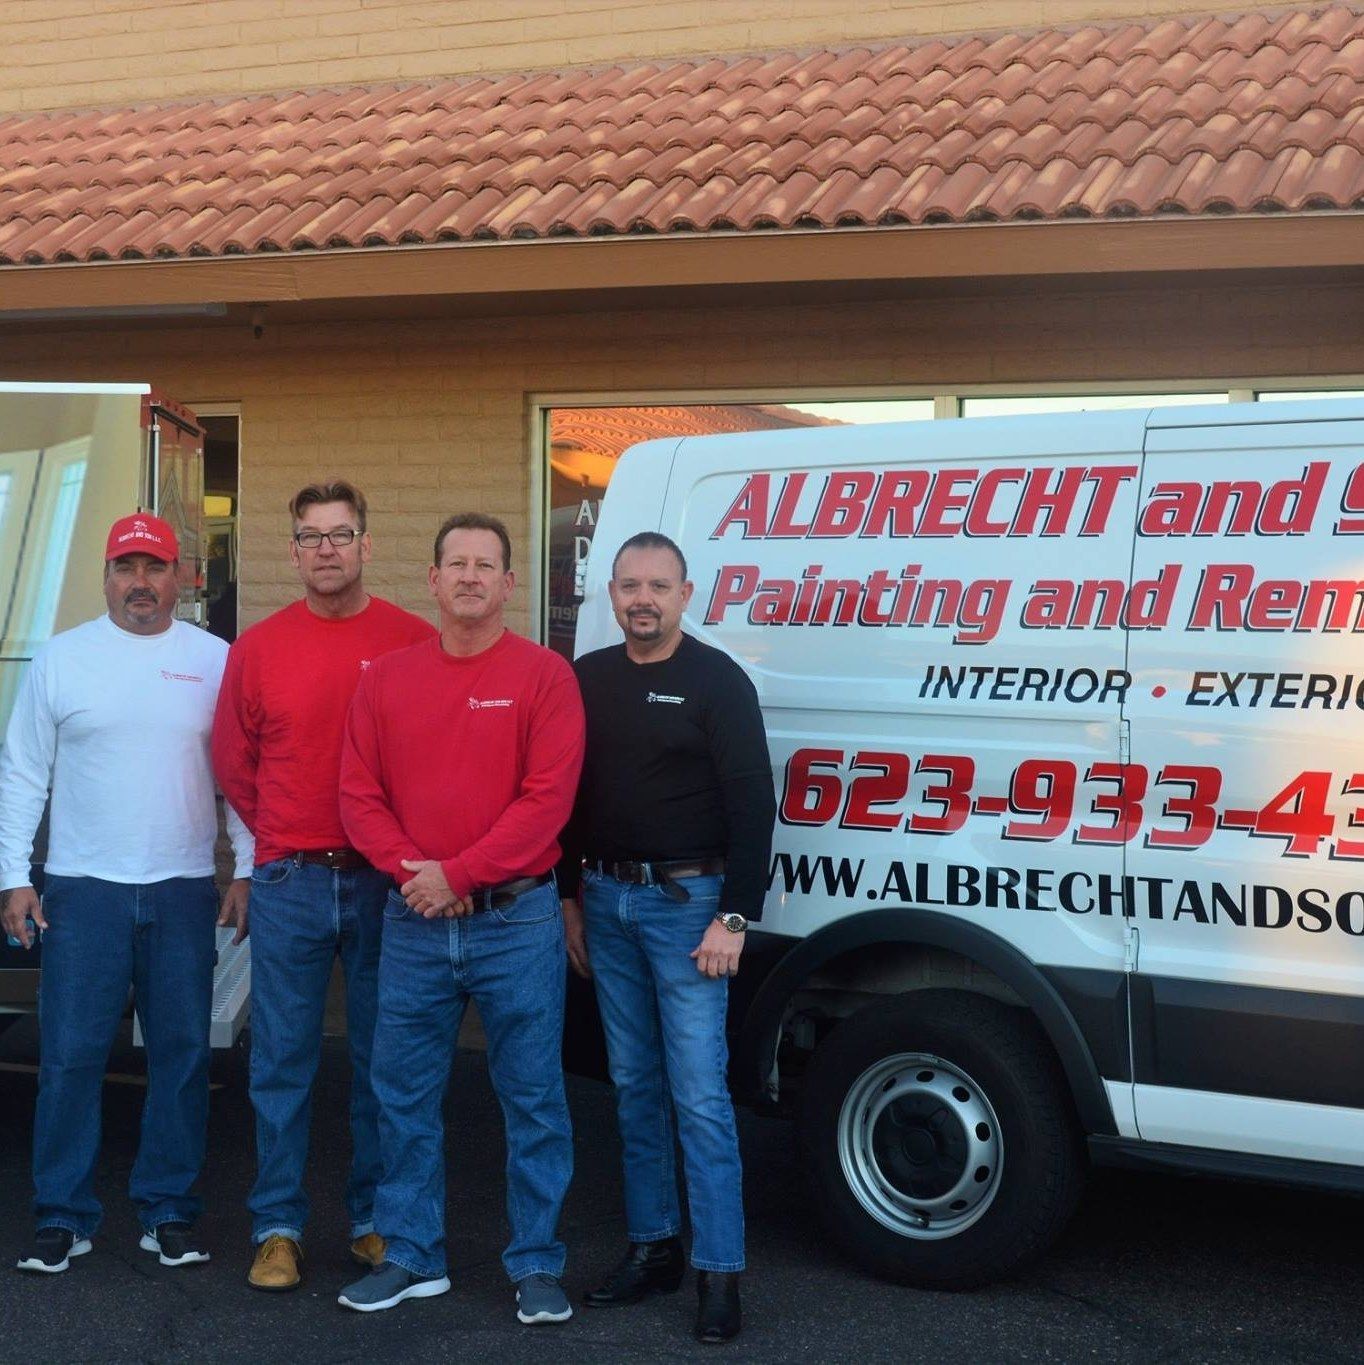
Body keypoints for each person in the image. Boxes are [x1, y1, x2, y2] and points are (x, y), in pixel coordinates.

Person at [336, 512, 585, 1324]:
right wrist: (421, 876)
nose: (471, 576)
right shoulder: (386, 679)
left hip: (515, 923)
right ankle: (412, 1254)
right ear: (434, 581)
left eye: (487, 564)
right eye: (457, 563)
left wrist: (459, 873)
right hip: (412, 922)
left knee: (533, 1096)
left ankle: (537, 1262)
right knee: (401, 1095)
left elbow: (546, 803)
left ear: (510, 583)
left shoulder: (546, 677)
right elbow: (358, 795)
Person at [0, 513, 253, 1274]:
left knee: (179, 1055)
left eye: (155, 567)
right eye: (125, 567)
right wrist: (14, 874)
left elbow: (240, 778)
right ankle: (63, 1214)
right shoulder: (62, 658)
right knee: (72, 1056)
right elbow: (22, 772)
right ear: (105, 576)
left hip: (180, 889)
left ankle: (168, 1209)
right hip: (82, 889)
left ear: (182, 577)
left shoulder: (216, 660)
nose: (140, 583)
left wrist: (244, 863)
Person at [211, 480, 432, 1291]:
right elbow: (234, 761)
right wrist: (278, 831)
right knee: (281, 1061)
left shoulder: (413, 641)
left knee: (386, 1058)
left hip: (387, 885)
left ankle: (373, 1220)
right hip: (290, 879)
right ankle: (277, 1225)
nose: (327, 549)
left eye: (341, 534)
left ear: (367, 545)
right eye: (311, 537)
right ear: (294, 551)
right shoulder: (260, 648)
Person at [560, 530, 775, 1345]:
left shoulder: (717, 681)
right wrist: (569, 899)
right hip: (607, 901)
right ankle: (654, 1247)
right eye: (629, 586)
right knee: (635, 1085)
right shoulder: (588, 680)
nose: (642, 598)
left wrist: (735, 916)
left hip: (692, 910)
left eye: (658, 585)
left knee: (699, 1093)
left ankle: (720, 1270)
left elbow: (756, 806)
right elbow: (567, 800)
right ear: (611, 595)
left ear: (687, 593)